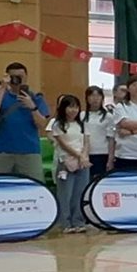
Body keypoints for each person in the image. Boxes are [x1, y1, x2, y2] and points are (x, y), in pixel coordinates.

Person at [0, 62, 50, 180]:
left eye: (20, 77)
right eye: (13, 77)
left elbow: (42, 124)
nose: (17, 80)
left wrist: (32, 107)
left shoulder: (36, 98)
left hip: (29, 151)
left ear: (26, 77)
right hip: (3, 151)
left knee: (33, 185)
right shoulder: (0, 95)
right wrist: (3, 87)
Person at [48, 94, 91, 234]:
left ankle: (78, 221)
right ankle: (65, 223)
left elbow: (86, 142)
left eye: (76, 107)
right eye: (70, 107)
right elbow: (63, 144)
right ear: (63, 108)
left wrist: (83, 156)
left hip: (82, 163)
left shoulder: (82, 124)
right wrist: (78, 155)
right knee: (65, 194)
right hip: (65, 163)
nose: (73, 110)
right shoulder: (58, 125)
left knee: (80, 193)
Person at [83, 85, 116, 180]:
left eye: (98, 96)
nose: (95, 98)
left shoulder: (108, 116)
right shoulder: (81, 115)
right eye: (92, 95)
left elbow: (111, 139)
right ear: (87, 98)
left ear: (102, 98)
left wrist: (110, 159)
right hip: (85, 155)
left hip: (102, 154)